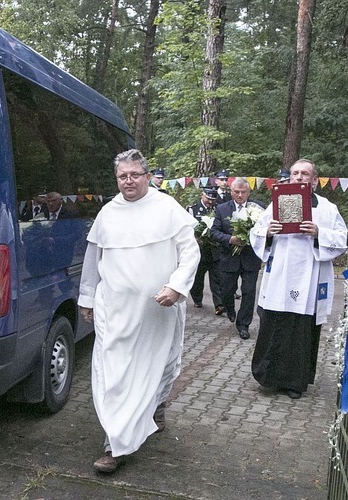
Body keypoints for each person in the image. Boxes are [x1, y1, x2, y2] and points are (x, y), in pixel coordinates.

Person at [78, 149, 200, 473]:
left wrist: (176, 286)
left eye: (134, 174)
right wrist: (86, 298)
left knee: (161, 367)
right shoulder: (107, 213)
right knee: (114, 374)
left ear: (146, 176)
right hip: (114, 310)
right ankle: (115, 445)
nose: (128, 180)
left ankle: (156, 407)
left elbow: (190, 253)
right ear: (116, 179)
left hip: (157, 312)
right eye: (122, 176)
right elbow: (93, 260)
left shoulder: (168, 208)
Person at [249, 159, 347, 399]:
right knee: (274, 324)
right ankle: (269, 378)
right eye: (295, 173)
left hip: (309, 277)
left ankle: (295, 382)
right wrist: (268, 233)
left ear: (314, 180)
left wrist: (318, 233)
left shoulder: (327, 208)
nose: (300, 177)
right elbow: (256, 232)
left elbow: (341, 238)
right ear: (290, 178)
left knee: (300, 331)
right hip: (280, 275)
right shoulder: (275, 205)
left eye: (305, 174)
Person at [210, 177, 265, 340]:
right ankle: (230, 309)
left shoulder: (259, 208)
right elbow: (214, 232)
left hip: (250, 258)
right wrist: (230, 239)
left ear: (248, 192)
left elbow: (266, 229)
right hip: (229, 258)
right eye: (236, 192)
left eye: (243, 192)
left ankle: (243, 324)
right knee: (227, 290)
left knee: (248, 292)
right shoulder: (222, 208)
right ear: (231, 192)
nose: (240, 195)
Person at [187, 187, 224, 314]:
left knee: (217, 278)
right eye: (208, 199)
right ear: (202, 195)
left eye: (213, 200)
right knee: (198, 278)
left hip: (214, 249)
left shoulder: (218, 208)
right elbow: (187, 227)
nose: (210, 202)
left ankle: (219, 304)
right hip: (199, 249)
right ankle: (197, 299)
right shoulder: (193, 208)